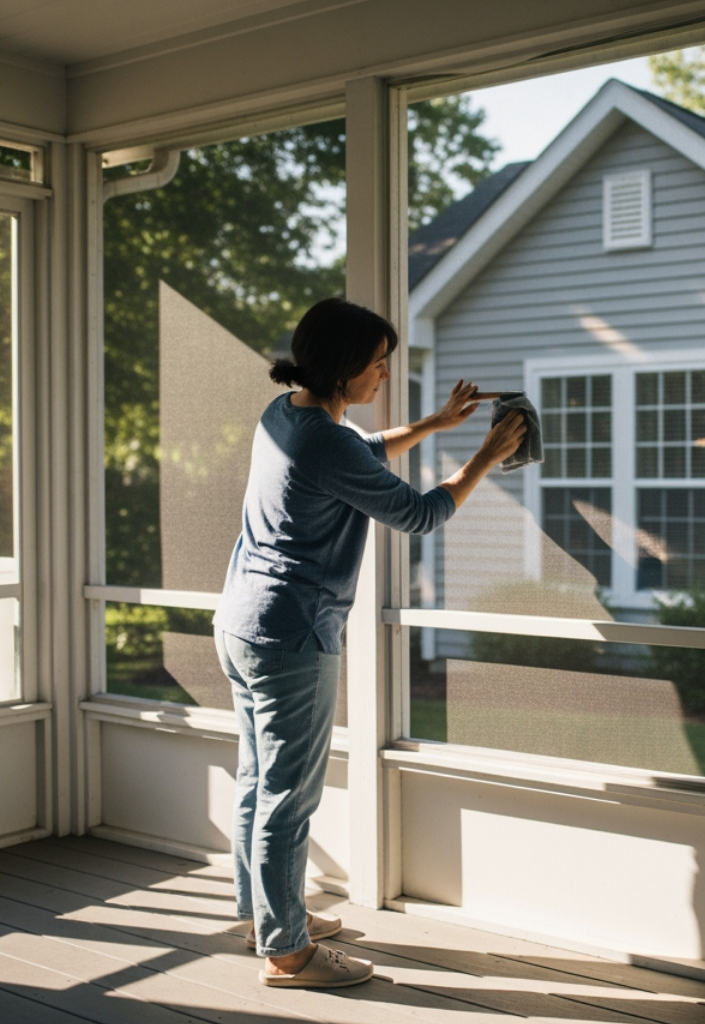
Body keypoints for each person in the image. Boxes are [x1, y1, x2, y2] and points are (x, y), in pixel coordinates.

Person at [212, 297, 524, 989]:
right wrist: (484, 454)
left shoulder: (290, 413)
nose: (384, 374)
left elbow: (362, 452)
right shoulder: (323, 439)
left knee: (257, 782)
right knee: (287, 799)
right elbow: (419, 513)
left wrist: (437, 423)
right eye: (377, 363)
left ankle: (263, 914)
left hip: (243, 622)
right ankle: (287, 953)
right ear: (343, 366)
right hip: (290, 633)